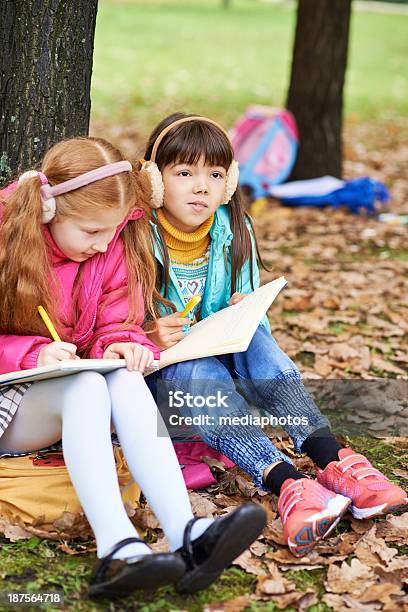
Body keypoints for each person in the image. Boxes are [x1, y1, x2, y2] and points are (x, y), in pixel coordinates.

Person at [0, 136, 266, 598]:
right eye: (90, 232)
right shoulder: (8, 237)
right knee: (85, 384)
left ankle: (185, 532)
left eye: (113, 231)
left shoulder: (110, 244)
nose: (103, 244)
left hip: (60, 396)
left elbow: (116, 317)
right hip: (11, 398)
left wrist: (124, 343)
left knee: (118, 376)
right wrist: (29, 353)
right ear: (49, 211)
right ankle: (116, 548)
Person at [140, 113, 408, 558]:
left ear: (230, 183)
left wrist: (242, 315)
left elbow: (250, 329)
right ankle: (288, 483)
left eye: (215, 174)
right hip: (168, 380)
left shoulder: (235, 229)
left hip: (223, 358)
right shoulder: (136, 238)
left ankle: (332, 461)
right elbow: (112, 323)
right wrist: (149, 332)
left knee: (261, 346)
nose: (201, 187)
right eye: (184, 173)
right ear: (152, 179)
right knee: (198, 372)